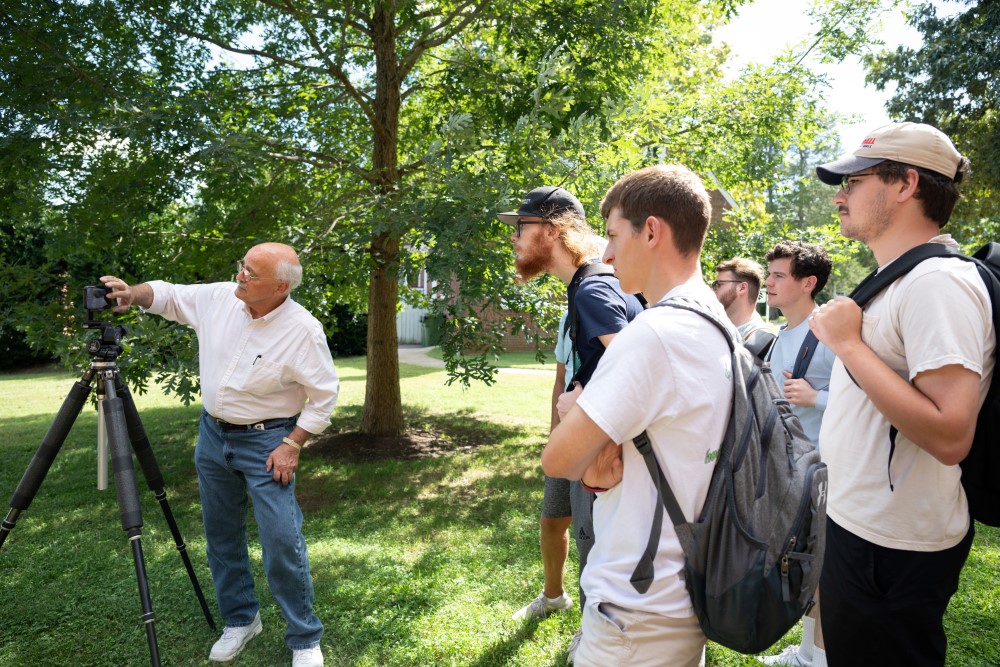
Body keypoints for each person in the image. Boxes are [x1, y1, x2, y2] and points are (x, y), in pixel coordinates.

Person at [809, 122, 994, 667]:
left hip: (891, 547)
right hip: (862, 529)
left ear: (907, 184)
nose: (840, 195)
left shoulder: (937, 283)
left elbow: (951, 433)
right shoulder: (902, 278)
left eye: (855, 181)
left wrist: (848, 344)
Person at [101, 242, 337, 667]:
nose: (241, 276)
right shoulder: (219, 298)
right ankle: (241, 619)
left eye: (251, 272)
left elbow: (324, 397)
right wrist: (131, 293)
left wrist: (293, 443)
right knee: (221, 534)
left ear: (281, 286)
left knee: (281, 539)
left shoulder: (303, 330)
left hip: (268, 443)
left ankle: (304, 639)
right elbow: (170, 295)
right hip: (213, 437)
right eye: (242, 266)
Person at [542, 164, 734, 667]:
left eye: (611, 235)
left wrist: (572, 409)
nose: (604, 255)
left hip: (633, 611)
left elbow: (558, 459)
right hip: (686, 590)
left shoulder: (653, 335)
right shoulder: (717, 321)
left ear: (652, 231)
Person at [499, 186, 643, 662]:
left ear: (552, 230)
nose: (514, 239)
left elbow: (638, 362)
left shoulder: (593, 287)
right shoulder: (588, 285)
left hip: (608, 449)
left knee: (593, 543)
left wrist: (584, 395)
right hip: (599, 444)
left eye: (521, 227)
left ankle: (596, 636)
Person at [757, 240, 836, 667]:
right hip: (791, 473)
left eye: (778, 276)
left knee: (820, 570)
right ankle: (807, 650)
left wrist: (816, 397)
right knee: (804, 564)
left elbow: (870, 391)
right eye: (769, 274)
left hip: (826, 473)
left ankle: (818, 658)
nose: (767, 283)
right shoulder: (780, 336)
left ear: (808, 283)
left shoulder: (829, 332)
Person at [712, 257, 776, 360]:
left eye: (719, 284)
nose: (713, 289)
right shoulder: (716, 329)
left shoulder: (765, 342)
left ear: (742, 288)